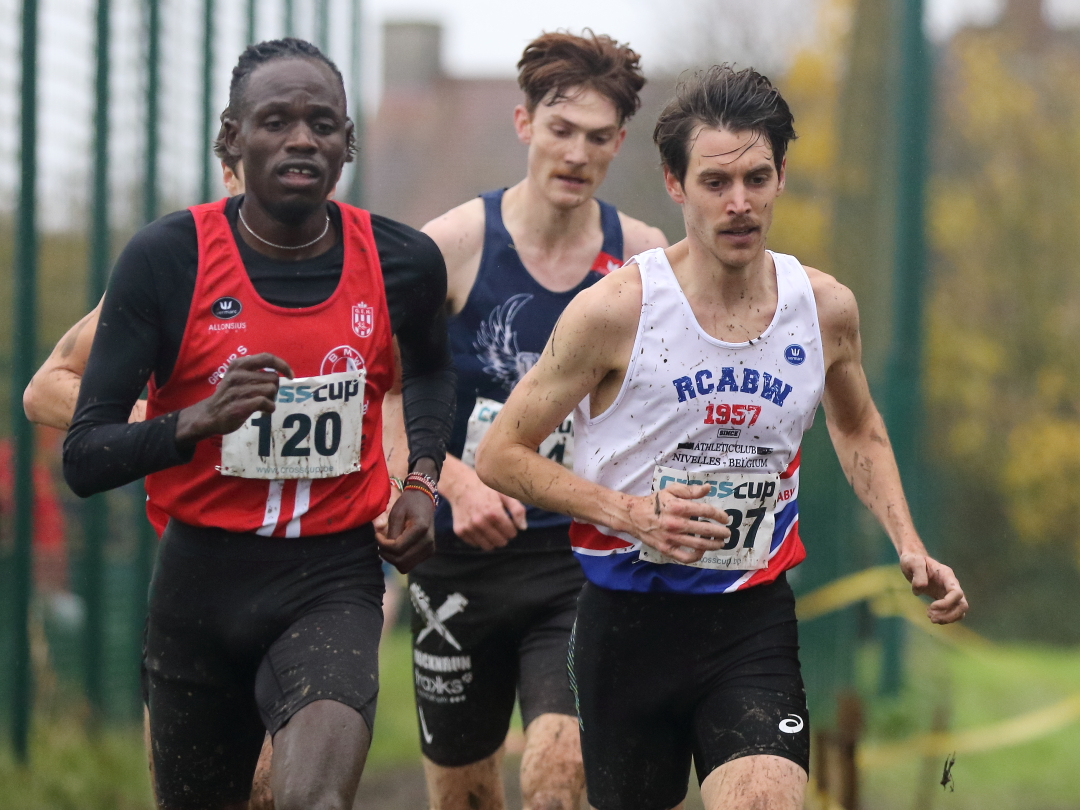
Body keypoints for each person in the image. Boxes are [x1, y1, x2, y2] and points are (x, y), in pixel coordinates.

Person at [475, 65, 968, 810]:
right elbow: (500, 455)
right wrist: (630, 513)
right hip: (627, 622)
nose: (739, 203)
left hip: (750, 617)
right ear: (675, 185)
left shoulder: (824, 308)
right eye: (715, 182)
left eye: (756, 178)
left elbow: (857, 425)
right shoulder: (615, 311)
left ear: (780, 178)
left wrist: (908, 540)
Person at [62, 37, 455, 810]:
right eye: (276, 121)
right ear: (233, 138)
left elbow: (433, 370)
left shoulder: (404, 261)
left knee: (313, 800)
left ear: (347, 142)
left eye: (322, 123)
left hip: (333, 577)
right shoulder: (166, 259)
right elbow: (84, 456)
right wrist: (197, 420)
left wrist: (422, 480)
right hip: (199, 585)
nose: (302, 139)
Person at [410, 31, 666, 810]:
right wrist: (456, 483)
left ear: (619, 142)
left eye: (598, 137)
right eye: (561, 130)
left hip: (578, 562)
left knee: (558, 773)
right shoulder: (452, 246)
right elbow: (383, 395)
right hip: (458, 561)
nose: (577, 154)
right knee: (464, 794)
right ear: (525, 124)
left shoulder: (642, 259)